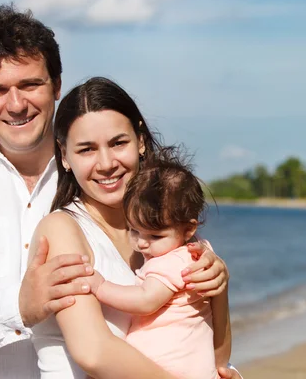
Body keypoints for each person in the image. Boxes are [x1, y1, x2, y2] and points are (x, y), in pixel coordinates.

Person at [0, 4, 236, 379]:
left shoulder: (129, 201)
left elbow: (187, 331)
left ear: (56, 85)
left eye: (30, 84)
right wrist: (19, 306)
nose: (16, 104)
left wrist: (215, 283)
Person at [29, 77, 233, 379]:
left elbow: (217, 355)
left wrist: (220, 289)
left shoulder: (163, 230)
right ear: (64, 156)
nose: (106, 163)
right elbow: (94, 352)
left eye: (118, 143)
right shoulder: (62, 229)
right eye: (86, 149)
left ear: (140, 141)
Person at [86, 147, 229, 379]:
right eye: (134, 231)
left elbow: (145, 300)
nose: (142, 243)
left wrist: (100, 286)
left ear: (189, 229)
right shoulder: (199, 250)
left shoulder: (175, 261)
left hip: (169, 367)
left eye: (155, 236)